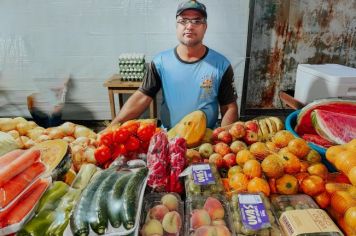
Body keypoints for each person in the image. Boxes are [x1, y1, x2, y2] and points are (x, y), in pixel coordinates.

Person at [111, 0, 238, 129]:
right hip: (169, 140)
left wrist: (223, 138)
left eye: (197, 21)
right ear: (176, 26)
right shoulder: (160, 62)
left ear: (205, 27)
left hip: (206, 141)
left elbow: (229, 107)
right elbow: (142, 96)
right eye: (183, 21)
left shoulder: (221, 65)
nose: (189, 26)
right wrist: (113, 125)